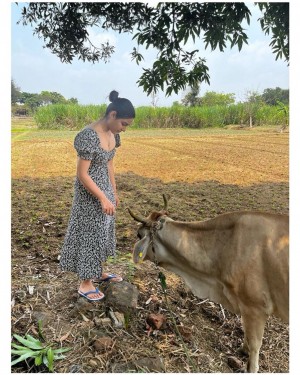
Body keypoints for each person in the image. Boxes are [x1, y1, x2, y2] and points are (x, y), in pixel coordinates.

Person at [60, 90, 135, 301]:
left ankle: (97, 271)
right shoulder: (88, 136)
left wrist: (113, 191)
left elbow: (110, 163)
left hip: (105, 190)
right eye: (124, 124)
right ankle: (85, 283)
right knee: (90, 234)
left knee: (103, 232)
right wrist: (101, 197)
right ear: (112, 115)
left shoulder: (114, 134)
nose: (124, 129)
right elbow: (82, 173)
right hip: (89, 191)